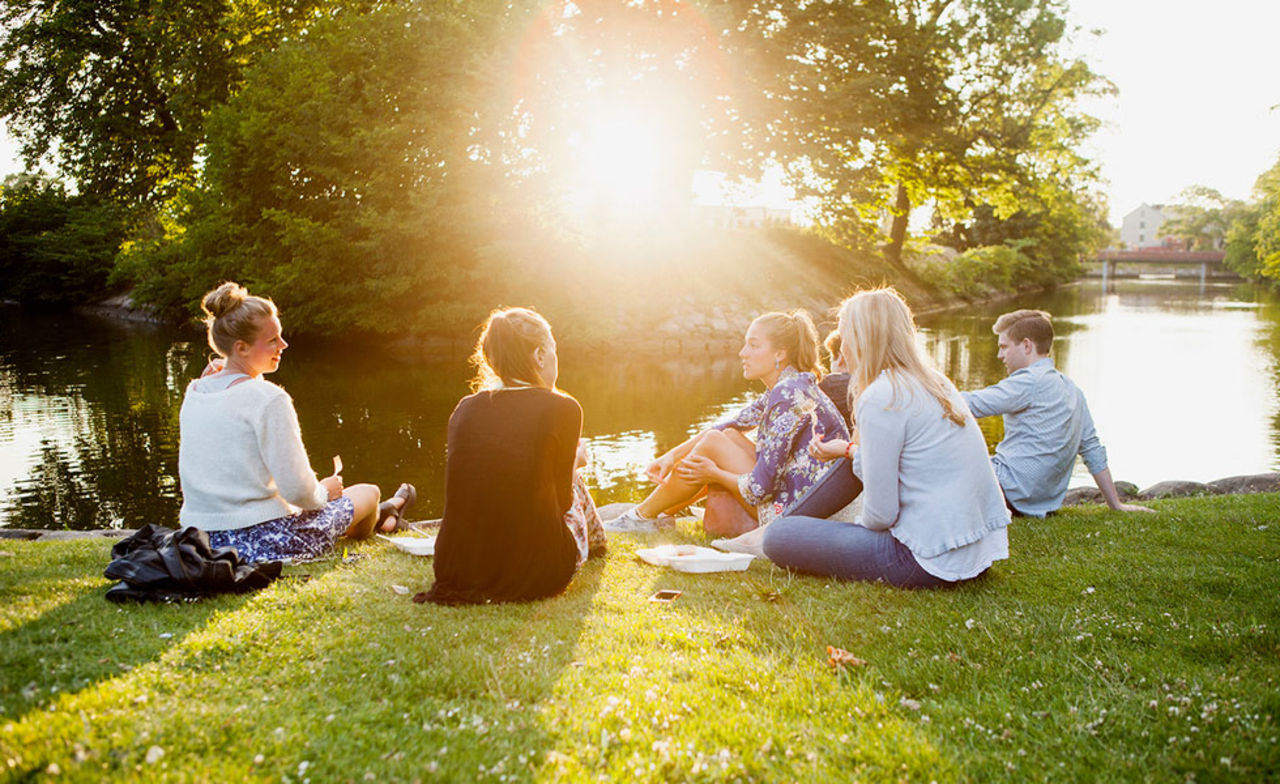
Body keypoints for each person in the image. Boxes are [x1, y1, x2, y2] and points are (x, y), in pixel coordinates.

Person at [763, 288, 1010, 588]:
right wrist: (850, 451)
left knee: (778, 537)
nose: (842, 349)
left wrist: (854, 527)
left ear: (862, 338)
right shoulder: (934, 381)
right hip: (973, 549)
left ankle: (769, 529)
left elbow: (881, 516)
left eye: (845, 336)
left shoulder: (882, 396)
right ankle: (775, 525)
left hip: (923, 558)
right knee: (850, 460)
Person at [178, 282, 415, 563]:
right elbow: (299, 493)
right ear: (241, 348)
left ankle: (387, 514)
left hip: (200, 540)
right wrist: (325, 491)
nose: (284, 345)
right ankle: (384, 516)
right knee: (368, 492)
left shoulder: (196, 391)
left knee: (345, 502)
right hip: (264, 542)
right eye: (272, 340)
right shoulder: (269, 399)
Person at [420, 307, 605, 606]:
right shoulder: (564, 408)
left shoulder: (465, 408)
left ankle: (596, 544)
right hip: (537, 572)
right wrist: (576, 461)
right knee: (575, 473)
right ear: (540, 355)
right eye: (554, 351)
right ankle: (598, 545)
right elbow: (563, 501)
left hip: (458, 569)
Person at [609, 310, 850, 534]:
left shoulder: (787, 393)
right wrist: (671, 456)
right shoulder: (791, 385)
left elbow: (759, 489)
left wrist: (714, 473)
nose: (743, 353)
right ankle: (658, 514)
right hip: (802, 500)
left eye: (753, 345)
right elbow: (729, 425)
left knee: (715, 443)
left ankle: (640, 516)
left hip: (792, 514)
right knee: (728, 435)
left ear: (780, 353)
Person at [961, 309, 1152, 517]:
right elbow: (1091, 448)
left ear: (1026, 345)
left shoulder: (1028, 382)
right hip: (1041, 502)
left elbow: (970, 404)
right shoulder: (1073, 390)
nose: (1000, 356)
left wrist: (933, 388)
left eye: (1004, 347)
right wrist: (1116, 504)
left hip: (1006, 490)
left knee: (947, 451)